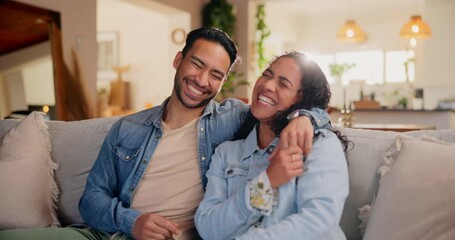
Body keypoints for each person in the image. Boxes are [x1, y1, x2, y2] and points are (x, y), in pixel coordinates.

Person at [0, 28, 329, 240]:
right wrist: (133, 222)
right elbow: (91, 200)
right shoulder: (128, 128)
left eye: (216, 74)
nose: (202, 80)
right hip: (111, 233)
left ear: (223, 82)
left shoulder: (233, 119)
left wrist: (304, 117)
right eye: (197, 65)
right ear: (178, 60)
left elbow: (284, 105)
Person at [195, 51, 350, 240]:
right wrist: (266, 181)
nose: (267, 85)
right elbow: (208, 228)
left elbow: (319, 223)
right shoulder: (226, 153)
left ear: (301, 101)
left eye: (283, 84)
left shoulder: (318, 145)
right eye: (266, 75)